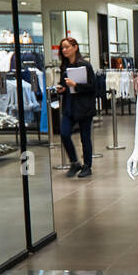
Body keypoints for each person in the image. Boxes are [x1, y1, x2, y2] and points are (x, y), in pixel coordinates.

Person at [57, 37, 96, 178]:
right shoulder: (64, 67)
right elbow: (64, 84)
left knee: (85, 138)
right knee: (64, 133)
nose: (64, 50)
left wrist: (76, 86)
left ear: (75, 47)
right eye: (63, 48)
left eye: (67, 47)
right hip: (70, 106)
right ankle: (74, 162)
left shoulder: (85, 65)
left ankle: (87, 166)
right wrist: (61, 88)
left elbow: (93, 86)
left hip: (84, 107)